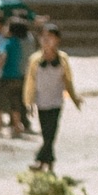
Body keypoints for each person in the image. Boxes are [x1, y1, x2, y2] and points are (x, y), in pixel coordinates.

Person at [27, 22, 80, 166]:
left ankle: (41, 158)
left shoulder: (63, 59)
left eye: (50, 37)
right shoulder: (35, 60)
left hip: (56, 100)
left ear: (57, 39)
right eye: (43, 36)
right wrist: (29, 102)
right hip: (41, 101)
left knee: (52, 131)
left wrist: (75, 98)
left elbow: (68, 80)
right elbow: (30, 82)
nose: (46, 40)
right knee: (46, 132)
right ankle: (48, 160)